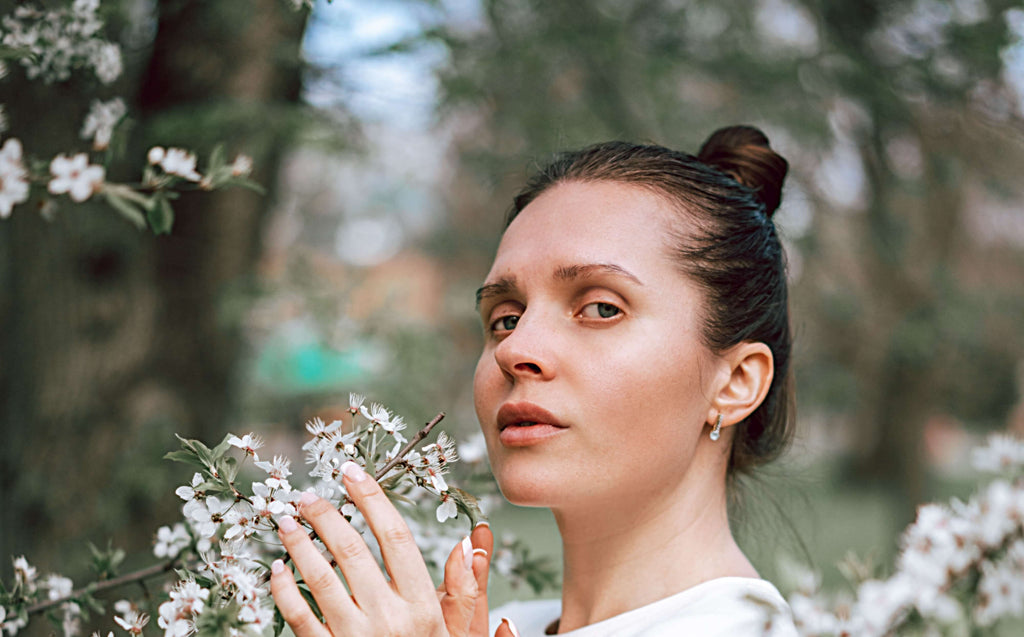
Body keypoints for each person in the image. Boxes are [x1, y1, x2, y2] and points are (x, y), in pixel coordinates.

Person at [269, 125, 800, 636]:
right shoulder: (504, 624)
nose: (516, 349)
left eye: (600, 307)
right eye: (505, 317)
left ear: (734, 383)